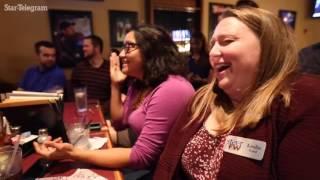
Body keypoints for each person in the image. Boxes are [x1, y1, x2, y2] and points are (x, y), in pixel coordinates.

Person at [154, 8, 320, 179]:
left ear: (267, 46)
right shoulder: (202, 98)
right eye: (213, 44)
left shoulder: (301, 100)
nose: (212, 52)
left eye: (227, 41)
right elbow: (166, 165)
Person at [33, 25, 195, 173]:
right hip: (144, 162)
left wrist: (74, 154)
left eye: (129, 47)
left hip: (162, 171)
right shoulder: (139, 83)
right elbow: (119, 123)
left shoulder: (172, 88)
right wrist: (115, 84)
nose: (122, 54)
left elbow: (143, 156)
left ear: (151, 50)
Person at [70, 35, 111, 113]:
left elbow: (116, 95)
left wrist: (101, 109)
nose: (83, 49)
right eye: (83, 46)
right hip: (83, 110)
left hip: (105, 112)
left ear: (97, 48)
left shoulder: (110, 68)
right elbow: (73, 93)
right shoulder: (79, 68)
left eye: (86, 46)